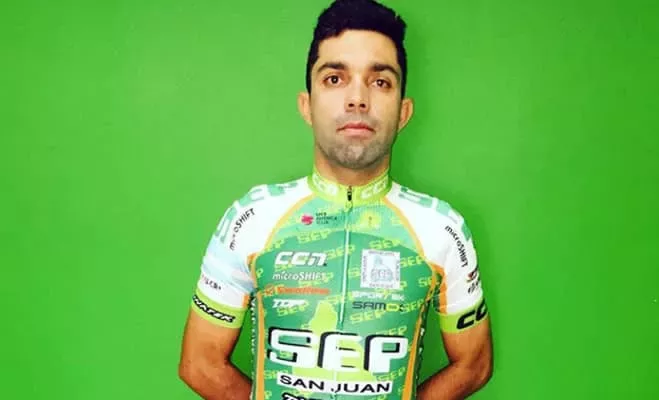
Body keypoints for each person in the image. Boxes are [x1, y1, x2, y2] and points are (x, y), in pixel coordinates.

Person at [178, 0, 493, 399]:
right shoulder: (252, 218)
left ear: (403, 112)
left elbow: (474, 363)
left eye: (380, 82)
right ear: (307, 105)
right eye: (334, 78)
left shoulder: (442, 228)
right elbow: (199, 362)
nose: (357, 98)